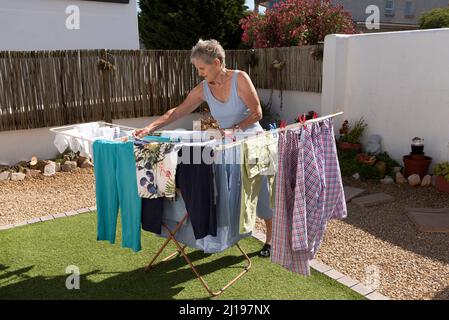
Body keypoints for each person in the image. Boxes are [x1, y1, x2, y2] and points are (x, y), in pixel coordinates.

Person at [133, 39, 273, 257]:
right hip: (227, 144)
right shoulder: (204, 89)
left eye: (202, 68)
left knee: (260, 191)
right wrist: (149, 127)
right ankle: (221, 238)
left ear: (217, 63)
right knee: (226, 191)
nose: (200, 73)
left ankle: (270, 241)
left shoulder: (240, 79)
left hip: (251, 142)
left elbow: (257, 113)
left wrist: (234, 130)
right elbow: (177, 111)